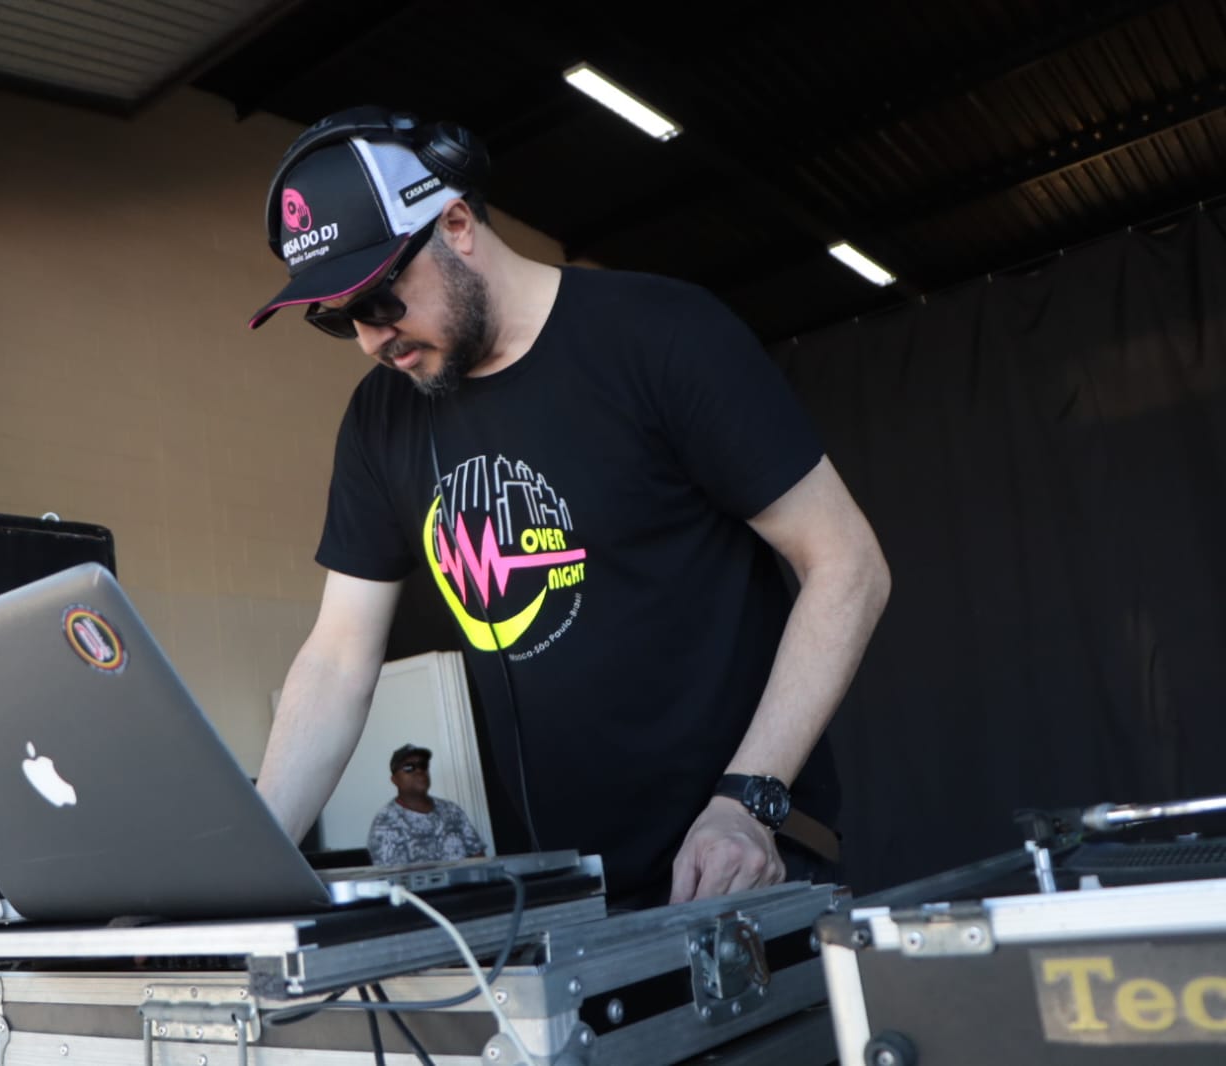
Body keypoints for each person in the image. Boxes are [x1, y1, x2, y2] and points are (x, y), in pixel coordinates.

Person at [248, 107, 891, 907]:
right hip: (570, 897)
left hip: (740, 865)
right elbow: (338, 657)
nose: (370, 340)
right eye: (337, 318)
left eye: (378, 298)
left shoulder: (661, 335)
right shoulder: (380, 420)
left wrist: (746, 803)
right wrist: (248, 866)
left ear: (455, 224)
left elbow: (846, 563)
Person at [367, 743, 488, 865]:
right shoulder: (385, 822)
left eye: (423, 765)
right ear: (394, 780)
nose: (419, 771)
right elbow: (390, 874)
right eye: (409, 767)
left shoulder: (451, 810)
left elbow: (478, 855)